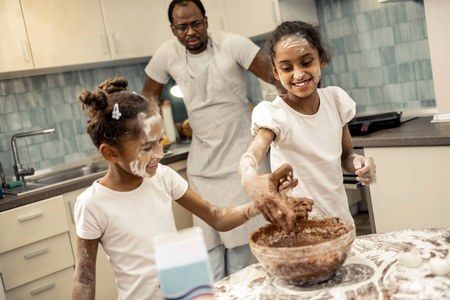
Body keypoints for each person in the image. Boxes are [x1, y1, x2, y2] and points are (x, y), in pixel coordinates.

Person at [72, 77, 273, 300]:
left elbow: (218, 217)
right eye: (148, 147)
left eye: (160, 141)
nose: (159, 153)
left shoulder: (163, 178)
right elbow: (84, 279)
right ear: (110, 153)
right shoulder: (92, 204)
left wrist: (259, 206)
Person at [141, 0, 285, 280]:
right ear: (173, 29)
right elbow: (147, 100)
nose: (191, 31)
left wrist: (274, 114)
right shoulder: (165, 55)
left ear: (206, 20)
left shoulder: (233, 44)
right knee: (210, 249)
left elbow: (278, 76)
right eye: (182, 27)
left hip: (241, 159)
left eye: (196, 23)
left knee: (245, 246)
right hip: (203, 164)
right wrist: (150, 141)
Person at [239, 21, 376, 233]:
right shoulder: (274, 115)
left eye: (306, 62)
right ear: (276, 73)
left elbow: (346, 156)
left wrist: (359, 162)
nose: (298, 74)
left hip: (340, 220)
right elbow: (253, 154)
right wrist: (249, 177)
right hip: (299, 226)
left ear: (321, 60)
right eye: (286, 68)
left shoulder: (335, 101)